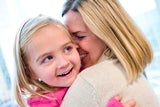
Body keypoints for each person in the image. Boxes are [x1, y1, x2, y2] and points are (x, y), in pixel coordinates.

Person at [13, 14, 136, 107]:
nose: (64, 63)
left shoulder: (89, 71)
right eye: (48, 58)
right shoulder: (43, 102)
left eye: (67, 48)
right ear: (30, 72)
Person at [61, 0, 160, 107]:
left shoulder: (89, 81)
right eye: (68, 39)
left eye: (80, 36)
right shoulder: (129, 70)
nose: (72, 47)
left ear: (107, 35)